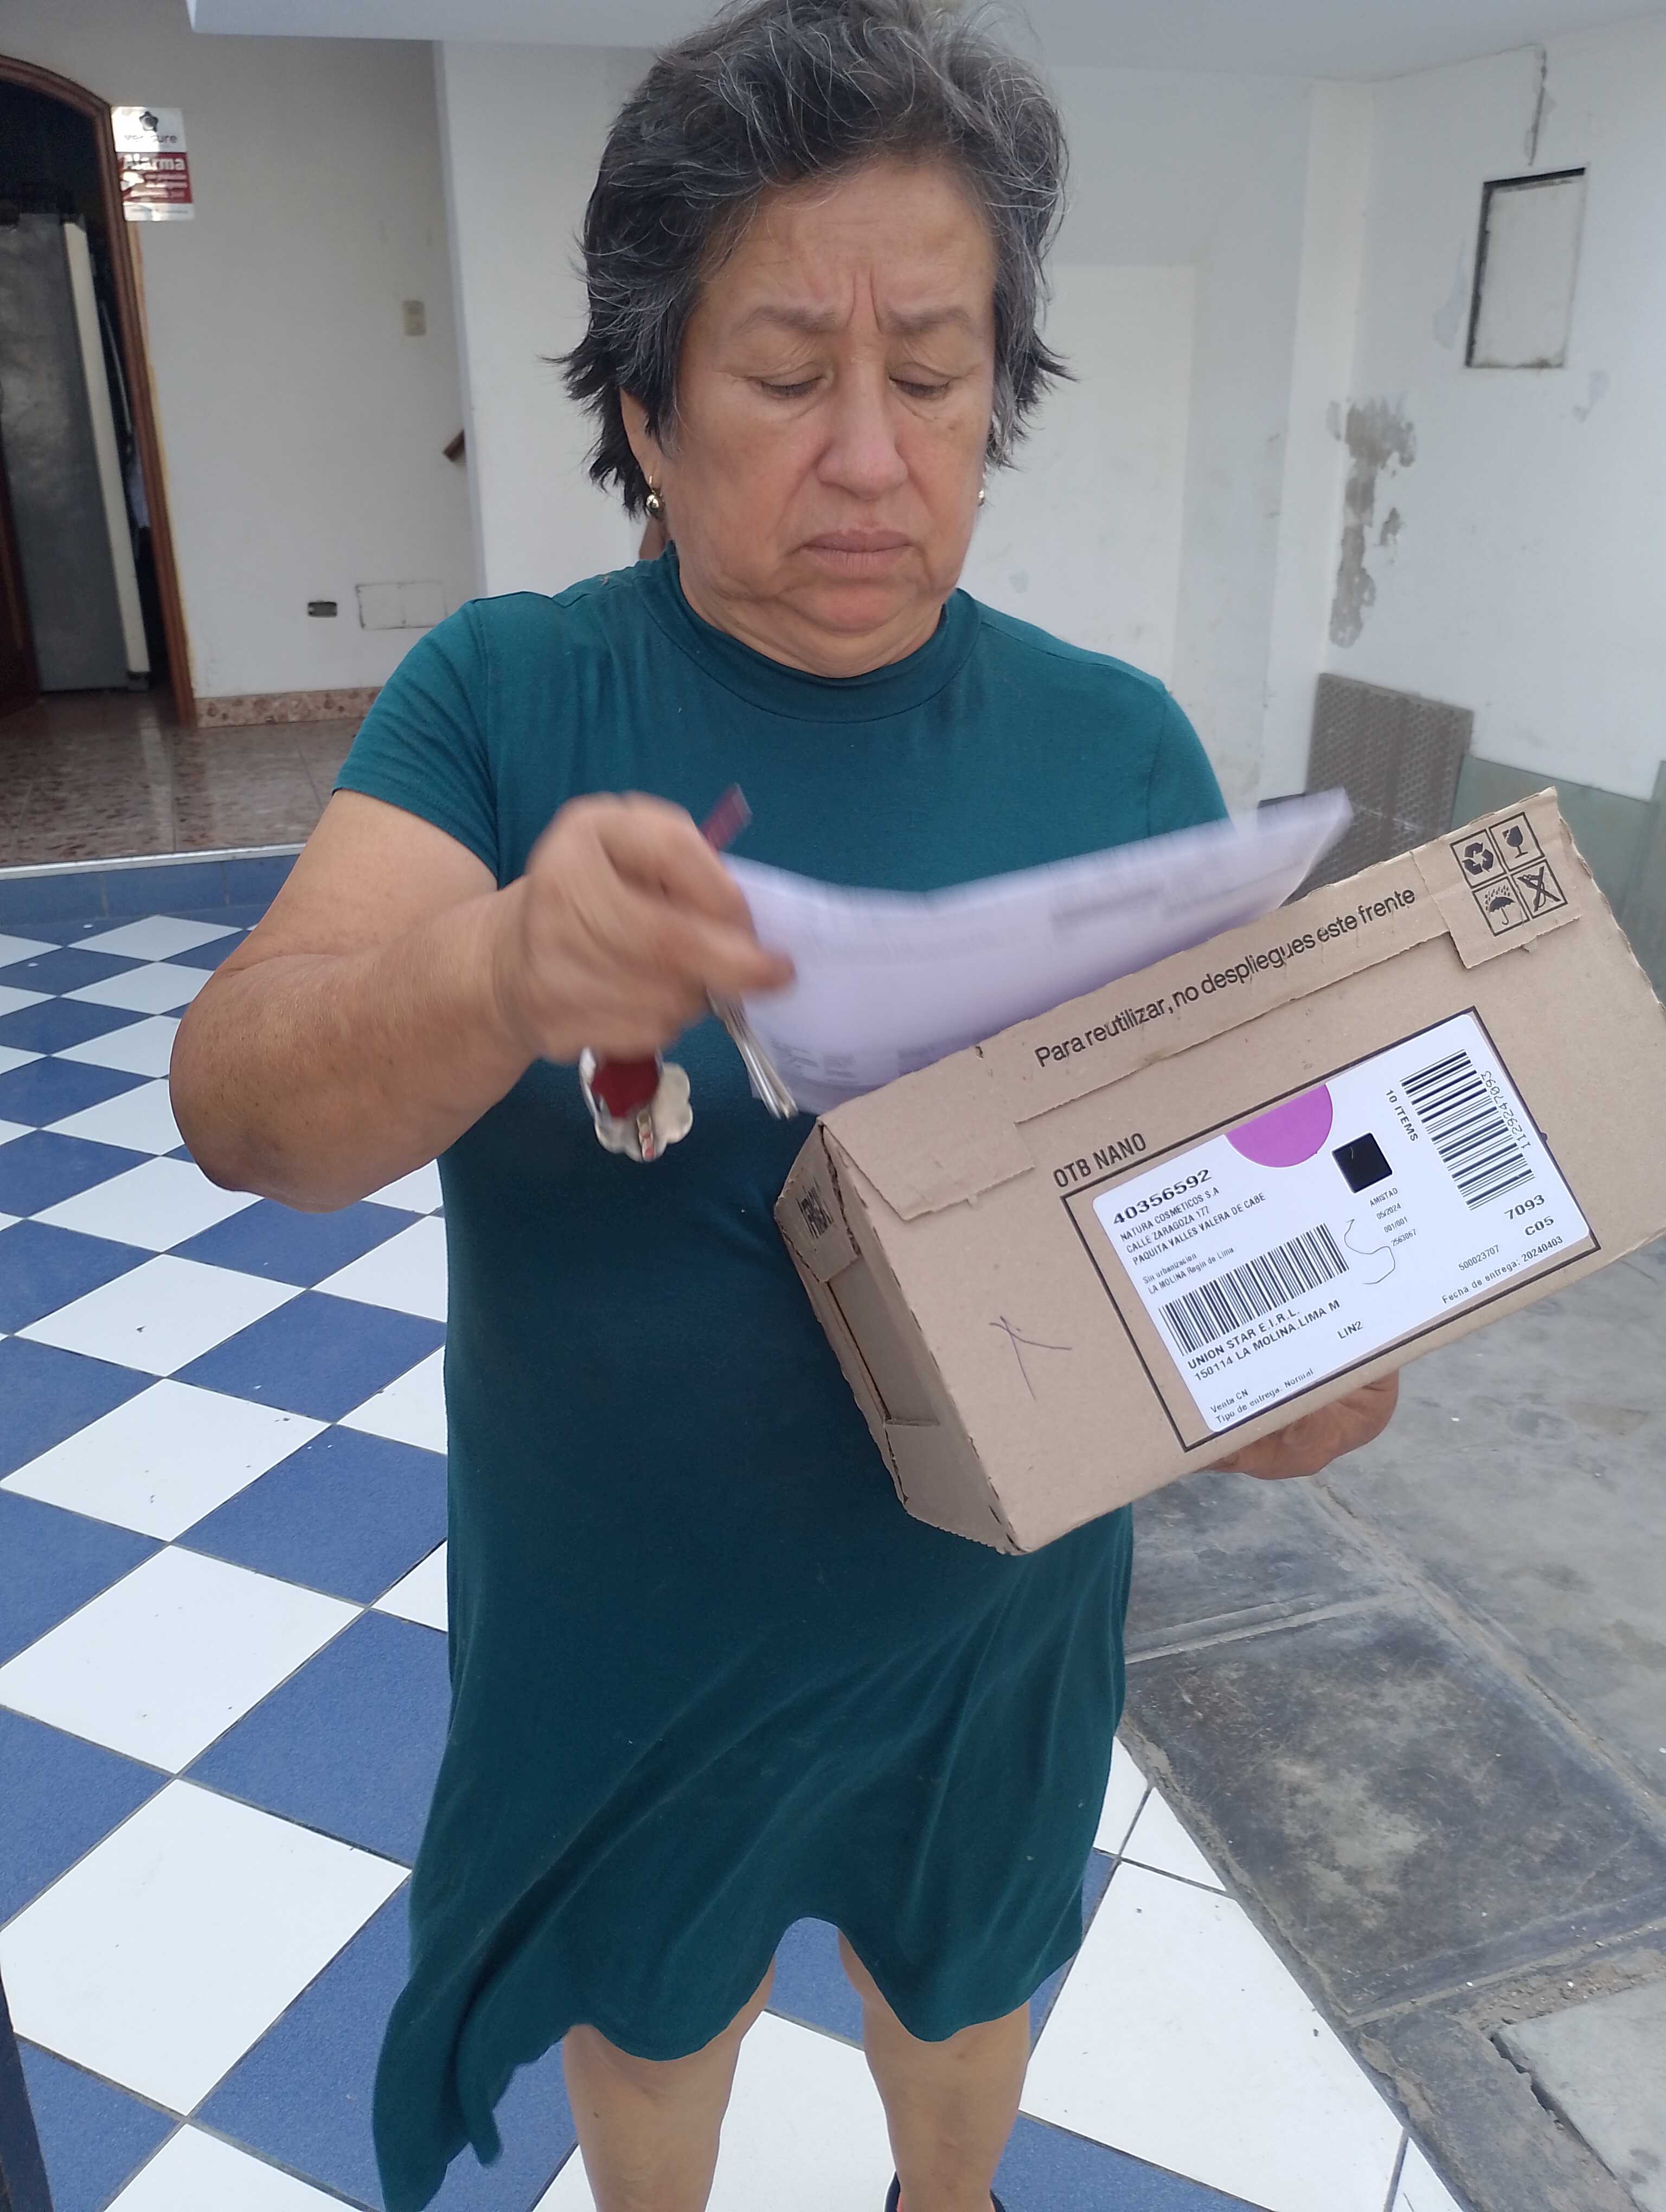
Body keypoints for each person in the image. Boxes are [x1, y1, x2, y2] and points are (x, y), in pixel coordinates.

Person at [171, 4, 1396, 2207]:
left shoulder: (1117, 748)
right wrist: (501, 968)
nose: (869, 456)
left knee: (968, 1990)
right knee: (655, 2027)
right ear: (645, 408)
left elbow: (1239, 1216)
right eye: (782, 374)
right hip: (626, 1624)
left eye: (931, 376)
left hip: (993, 1627)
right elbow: (250, 1113)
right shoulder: (509, 696)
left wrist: (1301, 1357)